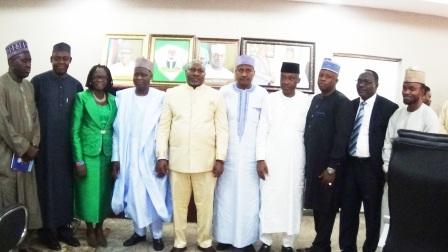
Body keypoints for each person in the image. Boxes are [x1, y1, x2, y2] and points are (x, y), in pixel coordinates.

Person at [156, 60, 228, 252]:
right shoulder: (172, 94)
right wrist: (161, 156)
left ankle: (204, 241)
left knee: (205, 206)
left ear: (205, 74)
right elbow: (163, 127)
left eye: (200, 70)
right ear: (185, 72)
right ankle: (179, 241)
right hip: (177, 161)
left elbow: (222, 129)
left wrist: (220, 158)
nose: (196, 73)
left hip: (206, 161)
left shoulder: (216, 96)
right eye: (192, 70)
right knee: (178, 205)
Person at [111, 58, 172, 251]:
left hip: (151, 155)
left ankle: (157, 235)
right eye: (136, 74)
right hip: (128, 153)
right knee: (133, 193)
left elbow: (164, 129)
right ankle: (138, 232)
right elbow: (116, 131)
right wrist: (116, 158)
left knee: (154, 196)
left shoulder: (161, 97)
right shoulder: (122, 96)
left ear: (151, 77)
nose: (139, 78)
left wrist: (162, 157)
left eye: (143, 74)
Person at [31, 42, 83, 250]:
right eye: (57, 58)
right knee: (46, 187)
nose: (60, 61)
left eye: (65, 58)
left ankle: (64, 228)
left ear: (70, 60)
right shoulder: (38, 82)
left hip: (67, 147)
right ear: (51, 58)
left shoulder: (76, 85)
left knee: (66, 188)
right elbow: (30, 115)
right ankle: (47, 231)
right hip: (44, 147)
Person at [339, 70, 398, 252]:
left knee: (373, 214)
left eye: (367, 82)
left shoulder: (389, 108)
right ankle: (347, 248)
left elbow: (391, 141)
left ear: (376, 85)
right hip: (350, 167)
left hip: (373, 170)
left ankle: (370, 249)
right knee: (348, 212)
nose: (362, 85)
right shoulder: (349, 106)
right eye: (359, 81)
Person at [213, 55, 267, 252]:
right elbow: (218, 124)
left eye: (248, 70)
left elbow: (264, 127)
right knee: (225, 197)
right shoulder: (224, 92)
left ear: (253, 73)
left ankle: (247, 240)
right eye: (240, 70)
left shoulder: (262, 94)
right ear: (235, 72)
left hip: (252, 156)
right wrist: (219, 156)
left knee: (250, 198)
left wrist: (261, 157)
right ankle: (225, 237)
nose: (244, 74)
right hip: (229, 154)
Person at [298, 58, 352, 252]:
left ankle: (322, 246)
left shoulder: (341, 102)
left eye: (328, 76)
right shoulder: (317, 99)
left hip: (329, 168)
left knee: (327, 208)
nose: (323, 79)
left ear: (336, 80)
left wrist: (332, 167)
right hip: (313, 164)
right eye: (321, 75)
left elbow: (341, 137)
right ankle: (321, 244)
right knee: (317, 207)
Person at [256, 62, 311, 252]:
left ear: (298, 80)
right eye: (283, 77)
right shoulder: (270, 99)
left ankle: (288, 243)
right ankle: (266, 240)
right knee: (269, 198)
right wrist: (260, 158)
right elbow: (262, 130)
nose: (286, 82)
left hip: (296, 157)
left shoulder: (306, 101)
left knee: (293, 199)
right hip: (272, 157)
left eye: (291, 78)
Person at [0, 39, 42, 249]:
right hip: (7, 155)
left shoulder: (29, 85)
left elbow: (35, 117)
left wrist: (34, 143)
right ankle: (9, 243)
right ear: (11, 61)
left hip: (27, 156)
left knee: (27, 196)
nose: (28, 65)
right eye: (24, 61)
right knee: (10, 197)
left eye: (30, 60)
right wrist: (24, 147)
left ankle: (24, 241)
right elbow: (3, 123)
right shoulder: (1, 85)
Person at [71, 65, 117, 248]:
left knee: (104, 193)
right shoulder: (82, 98)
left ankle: (100, 227)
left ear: (108, 80)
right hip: (88, 155)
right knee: (88, 194)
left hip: (107, 153)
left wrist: (116, 159)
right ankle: (89, 228)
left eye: (104, 77)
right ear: (91, 78)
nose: (100, 80)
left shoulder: (114, 100)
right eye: (96, 76)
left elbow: (116, 129)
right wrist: (79, 160)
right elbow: (74, 131)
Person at [382, 67, 441, 173]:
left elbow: (429, 151)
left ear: (422, 91)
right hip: (393, 172)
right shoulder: (397, 114)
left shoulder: (430, 116)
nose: (406, 92)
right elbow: (388, 143)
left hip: (417, 175)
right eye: (404, 88)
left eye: (412, 89)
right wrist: (388, 167)